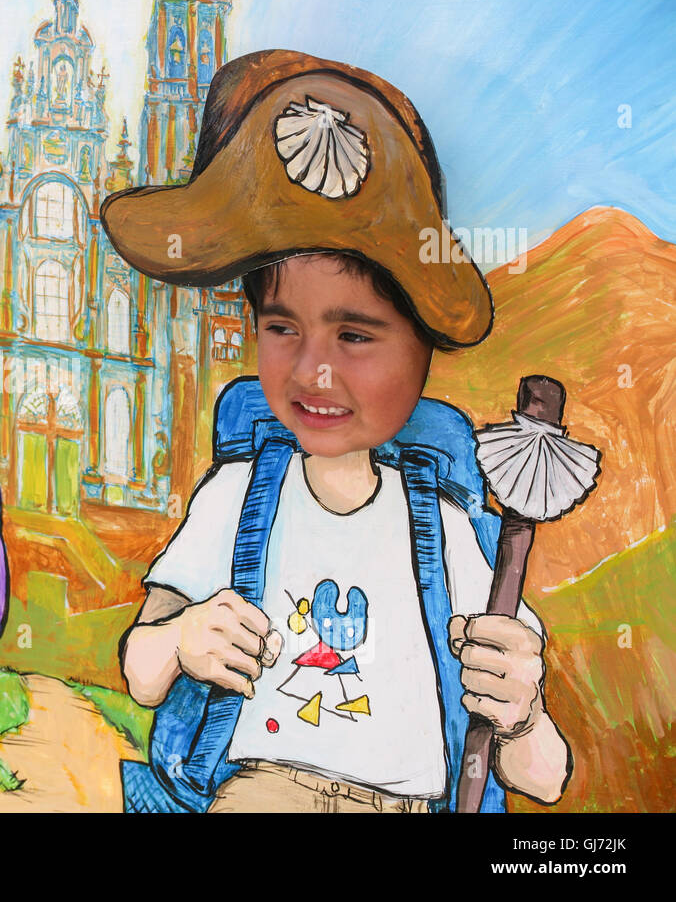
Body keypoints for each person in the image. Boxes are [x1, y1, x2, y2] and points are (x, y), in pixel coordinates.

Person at [102, 50, 571, 812]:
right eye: (282, 327)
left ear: (423, 351)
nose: (314, 373)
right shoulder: (240, 493)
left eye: (355, 336)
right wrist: (183, 637)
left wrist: (519, 712)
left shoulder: (450, 528)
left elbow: (544, 779)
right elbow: (142, 671)